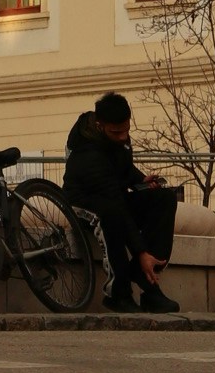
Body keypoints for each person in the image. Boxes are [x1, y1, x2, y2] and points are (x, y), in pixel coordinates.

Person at [62, 91, 181, 312]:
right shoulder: (89, 153)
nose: (122, 137)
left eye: (126, 130)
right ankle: (119, 294)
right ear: (100, 126)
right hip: (84, 203)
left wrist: (140, 180)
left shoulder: (120, 138)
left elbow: (122, 167)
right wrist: (141, 251)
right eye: (115, 132)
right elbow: (115, 201)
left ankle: (145, 279)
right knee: (112, 217)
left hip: (111, 196)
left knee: (163, 199)